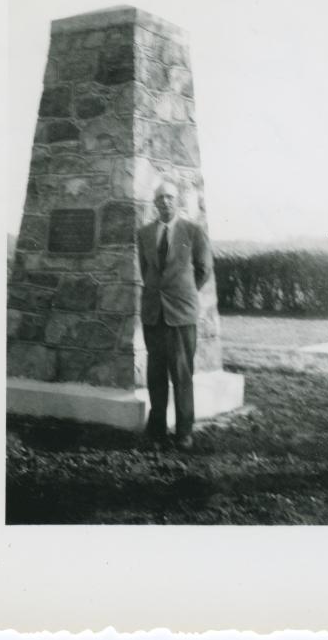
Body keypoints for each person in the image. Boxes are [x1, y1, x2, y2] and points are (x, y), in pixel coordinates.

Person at [137, 179, 213, 451]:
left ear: (177, 201)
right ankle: (156, 430)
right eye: (160, 199)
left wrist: (182, 292)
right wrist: (156, 295)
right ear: (155, 203)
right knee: (155, 374)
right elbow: (146, 270)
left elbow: (203, 269)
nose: (164, 202)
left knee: (181, 375)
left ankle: (183, 433)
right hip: (153, 314)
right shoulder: (144, 233)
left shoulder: (193, 231)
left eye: (169, 197)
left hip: (181, 314)